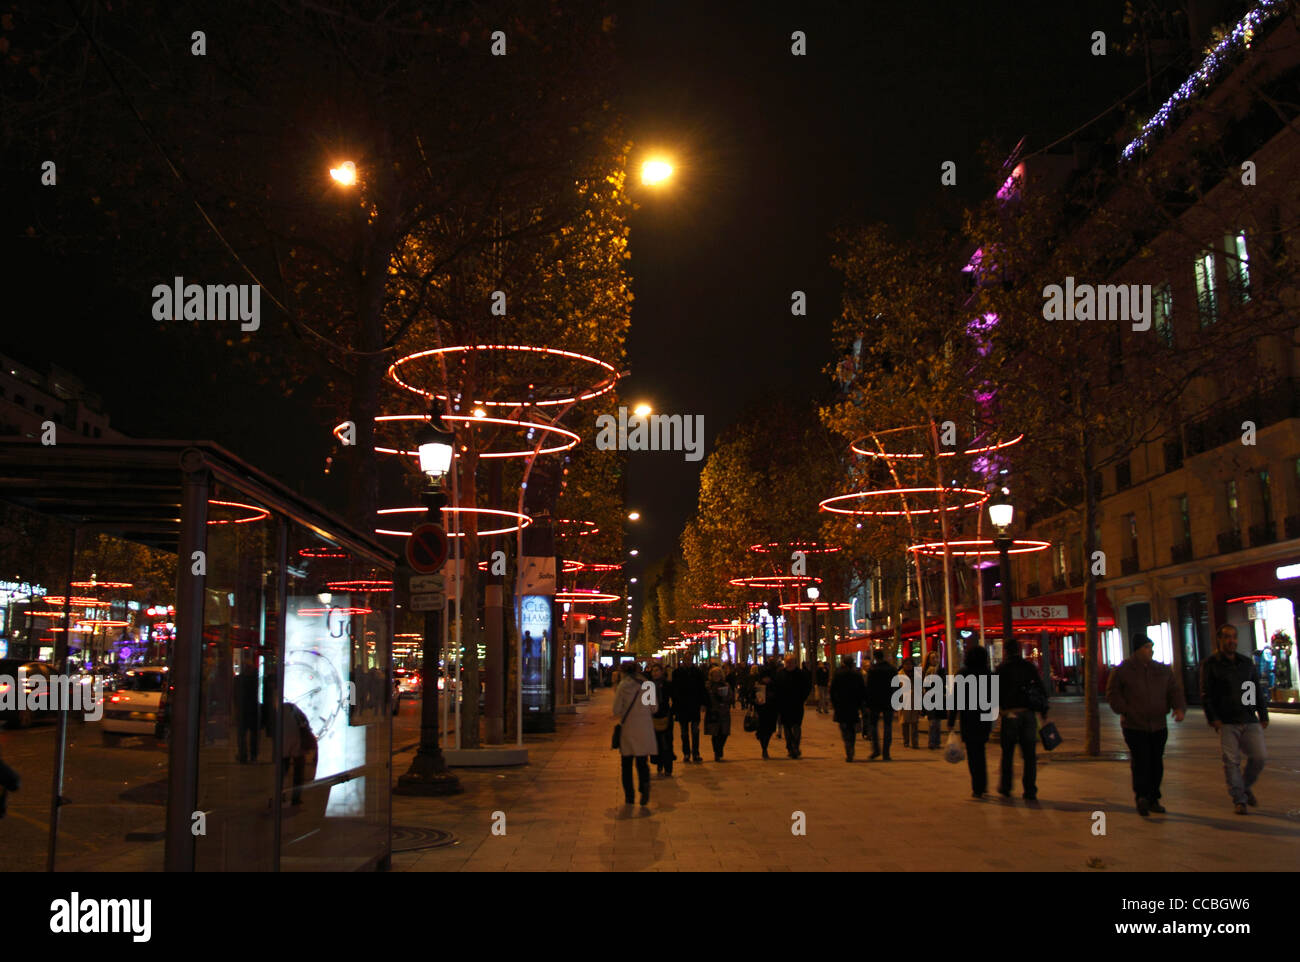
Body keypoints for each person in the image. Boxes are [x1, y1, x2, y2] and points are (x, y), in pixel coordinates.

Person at [1106, 635, 1186, 815]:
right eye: (1147, 647)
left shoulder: (1162, 670)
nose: (1151, 650)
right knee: (1141, 760)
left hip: (1158, 724)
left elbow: (1174, 690)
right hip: (1134, 725)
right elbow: (1113, 693)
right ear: (1137, 649)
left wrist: (1178, 708)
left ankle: (1153, 797)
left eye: (1151, 647)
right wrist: (1124, 710)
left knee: (1156, 761)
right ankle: (1141, 796)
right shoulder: (1123, 670)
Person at [1200, 624, 1269, 815]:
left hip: (1248, 717)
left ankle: (1245, 786)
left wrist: (1262, 714)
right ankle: (1239, 799)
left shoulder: (1246, 663)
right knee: (1231, 762)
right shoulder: (1211, 664)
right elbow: (1207, 694)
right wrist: (1213, 718)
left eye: (1234, 637)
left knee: (1259, 757)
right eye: (1228, 637)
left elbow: (1254, 689)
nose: (1232, 641)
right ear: (1220, 640)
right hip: (1227, 720)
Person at [995, 640, 1048, 801]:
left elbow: (994, 692)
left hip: (1009, 714)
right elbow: (1040, 688)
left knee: (1008, 753)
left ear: (1005, 651)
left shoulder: (1001, 669)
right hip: (1028, 713)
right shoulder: (1028, 667)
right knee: (1029, 754)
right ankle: (1030, 789)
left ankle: (1006, 786)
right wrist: (1043, 710)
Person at [947, 644, 994, 797]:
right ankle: (983, 783)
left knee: (973, 753)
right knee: (981, 750)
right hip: (984, 717)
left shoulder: (963, 674)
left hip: (968, 718)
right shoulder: (988, 674)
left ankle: (977, 786)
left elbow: (956, 700)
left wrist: (951, 720)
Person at [612, 660, 656, 807]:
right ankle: (644, 786)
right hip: (644, 727)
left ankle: (629, 796)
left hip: (629, 727)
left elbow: (616, 709)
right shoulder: (647, 685)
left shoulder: (623, 686)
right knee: (642, 761)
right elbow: (653, 708)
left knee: (626, 763)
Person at [773, 653, 811, 758]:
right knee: (787, 727)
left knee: (797, 725)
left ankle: (795, 746)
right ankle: (790, 747)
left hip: (797, 704)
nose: (788, 664)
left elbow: (807, 687)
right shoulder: (780, 674)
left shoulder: (801, 674)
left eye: (790, 662)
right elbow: (776, 688)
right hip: (784, 705)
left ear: (795, 663)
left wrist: (802, 698)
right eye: (787, 662)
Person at [671, 655, 707, 763]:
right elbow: (674, 689)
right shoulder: (677, 672)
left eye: (689, 659)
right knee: (684, 732)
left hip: (694, 705)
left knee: (695, 730)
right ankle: (686, 753)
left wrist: (703, 703)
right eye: (686, 659)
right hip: (682, 706)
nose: (688, 661)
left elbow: (702, 688)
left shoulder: (697, 672)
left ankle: (695, 753)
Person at [830, 655, 866, 762]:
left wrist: (834, 703)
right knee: (852, 728)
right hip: (853, 705)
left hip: (841, 705)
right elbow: (862, 691)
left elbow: (832, 690)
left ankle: (848, 745)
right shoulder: (857, 675)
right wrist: (861, 705)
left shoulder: (838, 674)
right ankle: (851, 746)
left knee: (844, 727)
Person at [865, 648, 896, 760]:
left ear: (875, 658)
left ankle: (876, 750)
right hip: (889, 700)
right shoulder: (892, 669)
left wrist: (867, 703)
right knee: (888, 726)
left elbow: (869, 688)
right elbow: (896, 686)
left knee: (873, 725)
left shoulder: (872, 670)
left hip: (875, 701)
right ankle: (886, 753)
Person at [649, 663, 675, 777]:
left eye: (657, 670)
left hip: (665, 715)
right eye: (653, 671)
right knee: (656, 742)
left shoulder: (667, 684)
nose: (655, 673)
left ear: (661, 671)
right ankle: (659, 762)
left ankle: (668, 766)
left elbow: (674, 697)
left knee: (667, 742)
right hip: (653, 717)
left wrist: (672, 711)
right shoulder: (648, 685)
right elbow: (646, 702)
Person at [705, 666, 733, 761]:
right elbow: (705, 698)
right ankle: (717, 752)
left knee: (724, 733)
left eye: (718, 675)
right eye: (714, 675)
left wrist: (724, 698)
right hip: (713, 712)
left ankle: (719, 749)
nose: (716, 676)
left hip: (724, 711)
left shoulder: (725, 685)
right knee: (715, 733)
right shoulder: (708, 686)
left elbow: (731, 697)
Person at [753, 662, 779, 759]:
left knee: (770, 730)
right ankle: (764, 748)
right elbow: (751, 697)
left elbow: (778, 697)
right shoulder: (758, 686)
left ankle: (765, 746)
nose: (766, 679)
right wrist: (755, 700)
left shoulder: (774, 685)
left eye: (768, 677)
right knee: (762, 730)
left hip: (772, 710)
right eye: (765, 677)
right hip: (761, 711)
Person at [923, 650, 946, 749]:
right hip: (930, 698)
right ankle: (932, 742)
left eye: (936, 658)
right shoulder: (927, 671)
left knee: (938, 722)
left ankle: (937, 742)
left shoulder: (941, 670)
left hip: (939, 697)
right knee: (933, 721)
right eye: (933, 658)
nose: (935, 660)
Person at [897, 656, 920, 748]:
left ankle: (915, 742)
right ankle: (906, 741)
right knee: (904, 722)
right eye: (906, 664)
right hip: (904, 701)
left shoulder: (916, 675)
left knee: (914, 723)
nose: (908, 666)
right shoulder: (899, 675)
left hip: (915, 700)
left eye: (910, 664)